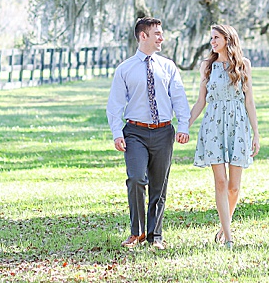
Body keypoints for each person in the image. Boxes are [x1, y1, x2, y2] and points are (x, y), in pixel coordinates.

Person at [106, 17, 191, 250]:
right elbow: (114, 105)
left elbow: (179, 99)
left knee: (159, 185)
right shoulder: (125, 69)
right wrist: (117, 133)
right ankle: (137, 232)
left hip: (164, 132)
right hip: (135, 132)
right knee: (135, 179)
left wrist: (183, 126)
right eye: (157, 34)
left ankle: (155, 236)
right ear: (143, 36)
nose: (162, 38)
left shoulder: (168, 67)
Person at [189, 23, 260, 249]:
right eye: (211, 38)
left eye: (216, 37)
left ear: (228, 39)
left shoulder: (243, 65)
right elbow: (201, 101)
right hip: (213, 124)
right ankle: (228, 237)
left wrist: (256, 133)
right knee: (221, 181)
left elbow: (249, 101)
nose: (213, 42)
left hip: (238, 125)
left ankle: (223, 225)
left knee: (234, 187)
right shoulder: (207, 66)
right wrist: (184, 125)